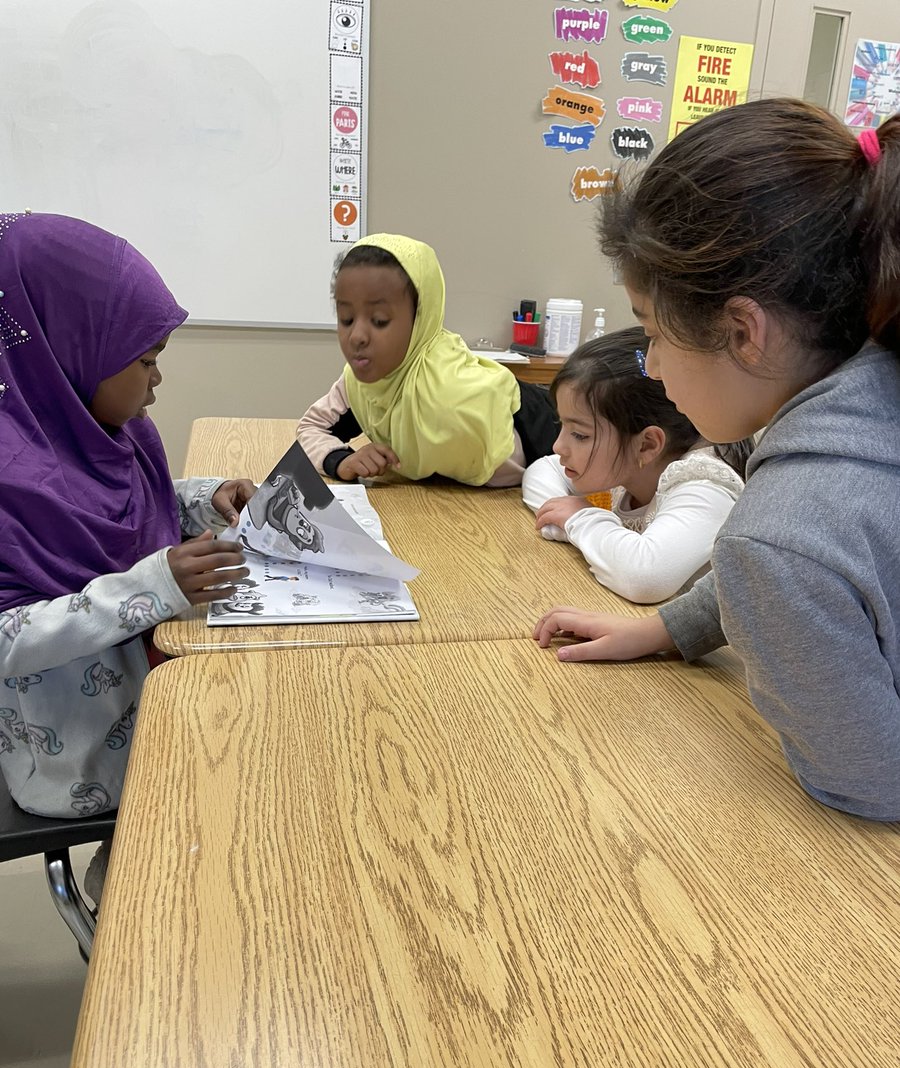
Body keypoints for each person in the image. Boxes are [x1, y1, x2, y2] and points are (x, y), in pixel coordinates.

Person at [534, 98, 900, 821]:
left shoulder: (780, 535)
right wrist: (671, 627)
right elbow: (829, 573)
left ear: (742, 332)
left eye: (652, 333)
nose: (654, 368)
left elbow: (871, 783)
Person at [0, 212, 254, 897]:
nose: (158, 380)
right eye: (145, 360)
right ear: (67, 349)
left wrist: (207, 499)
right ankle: (129, 916)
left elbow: (129, 511)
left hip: (150, 703)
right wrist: (153, 587)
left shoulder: (100, 432)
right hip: (79, 766)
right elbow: (8, 637)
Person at [297, 233, 559, 486]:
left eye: (379, 320)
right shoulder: (360, 380)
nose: (356, 337)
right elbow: (311, 427)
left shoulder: (460, 399)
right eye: (346, 319)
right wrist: (341, 461)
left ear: (421, 318)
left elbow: (524, 474)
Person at [522, 328, 747, 603]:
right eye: (562, 425)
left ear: (647, 445)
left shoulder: (705, 486)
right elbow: (542, 469)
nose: (558, 447)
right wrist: (561, 519)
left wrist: (578, 520)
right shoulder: (626, 463)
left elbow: (645, 579)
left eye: (580, 435)